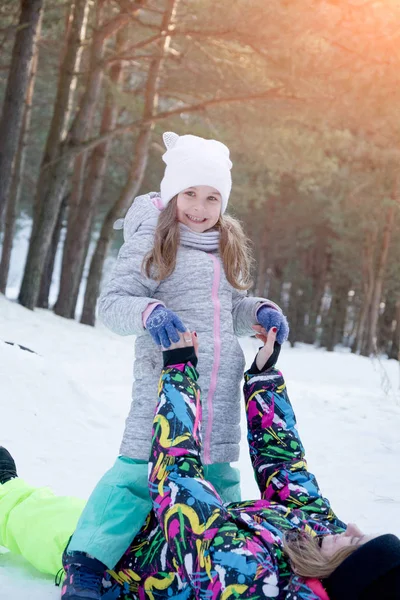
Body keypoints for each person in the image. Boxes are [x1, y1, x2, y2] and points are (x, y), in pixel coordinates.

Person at [1, 328, 399, 599]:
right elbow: (287, 468)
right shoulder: (321, 539)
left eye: (357, 542)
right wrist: (264, 378)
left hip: (120, 560)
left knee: (37, 519)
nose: (351, 527)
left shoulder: (247, 579)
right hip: (148, 529)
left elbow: (177, 480)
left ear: (349, 576)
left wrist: (178, 370)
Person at [61, 131, 289, 599]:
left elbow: (232, 309)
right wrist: (150, 313)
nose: (200, 208)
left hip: (218, 392)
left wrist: (259, 312)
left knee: (216, 482)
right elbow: (112, 304)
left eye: (212, 198)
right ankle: (85, 562)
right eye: (190, 194)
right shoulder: (153, 241)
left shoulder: (224, 247)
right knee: (137, 475)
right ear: (172, 193)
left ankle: (216, 568)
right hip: (165, 386)